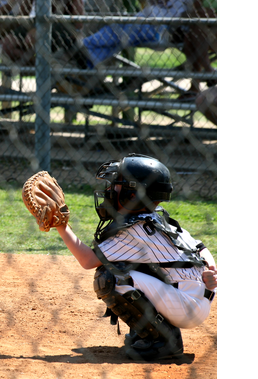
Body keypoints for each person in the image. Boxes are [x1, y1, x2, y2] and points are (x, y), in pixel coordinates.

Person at [50, 154, 217, 361]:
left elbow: (88, 261)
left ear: (133, 195)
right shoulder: (155, 216)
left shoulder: (134, 230)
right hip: (192, 297)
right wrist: (211, 271)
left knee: (110, 277)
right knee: (128, 267)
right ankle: (151, 331)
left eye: (116, 185)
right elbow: (201, 248)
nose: (109, 190)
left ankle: (162, 342)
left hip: (186, 304)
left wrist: (62, 226)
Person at [182, 0, 217, 96]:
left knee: (193, 36)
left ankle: (196, 85)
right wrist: (206, 13)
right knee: (194, 33)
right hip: (204, 26)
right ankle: (208, 72)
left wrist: (213, 13)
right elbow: (196, 11)